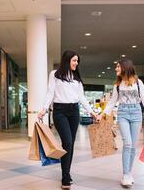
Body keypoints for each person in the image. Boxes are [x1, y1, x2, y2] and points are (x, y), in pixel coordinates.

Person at [96, 59, 144, 187]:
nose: (116, 69)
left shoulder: (138, 83)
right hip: (123, 114)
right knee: (127, 143)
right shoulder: (117, 85)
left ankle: (129, 172)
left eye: (118, 67)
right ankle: (126, 174)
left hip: (136, 114)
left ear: (125, 68)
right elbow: (112, 102)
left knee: (132, 146)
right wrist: (102, 114)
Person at [38, 50, 96, 189]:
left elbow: (81, 97)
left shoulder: (76, 77)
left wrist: (92, 112)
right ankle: (65, 176)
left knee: (70, 144)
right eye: (74, 60)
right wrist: (44, 109)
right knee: (67, 142)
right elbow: (50, 93)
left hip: (74, 111)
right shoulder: (55, 74)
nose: (76, 63)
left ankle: (66, 173)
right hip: (59, 111)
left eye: (77, 61)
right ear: (67, 60)